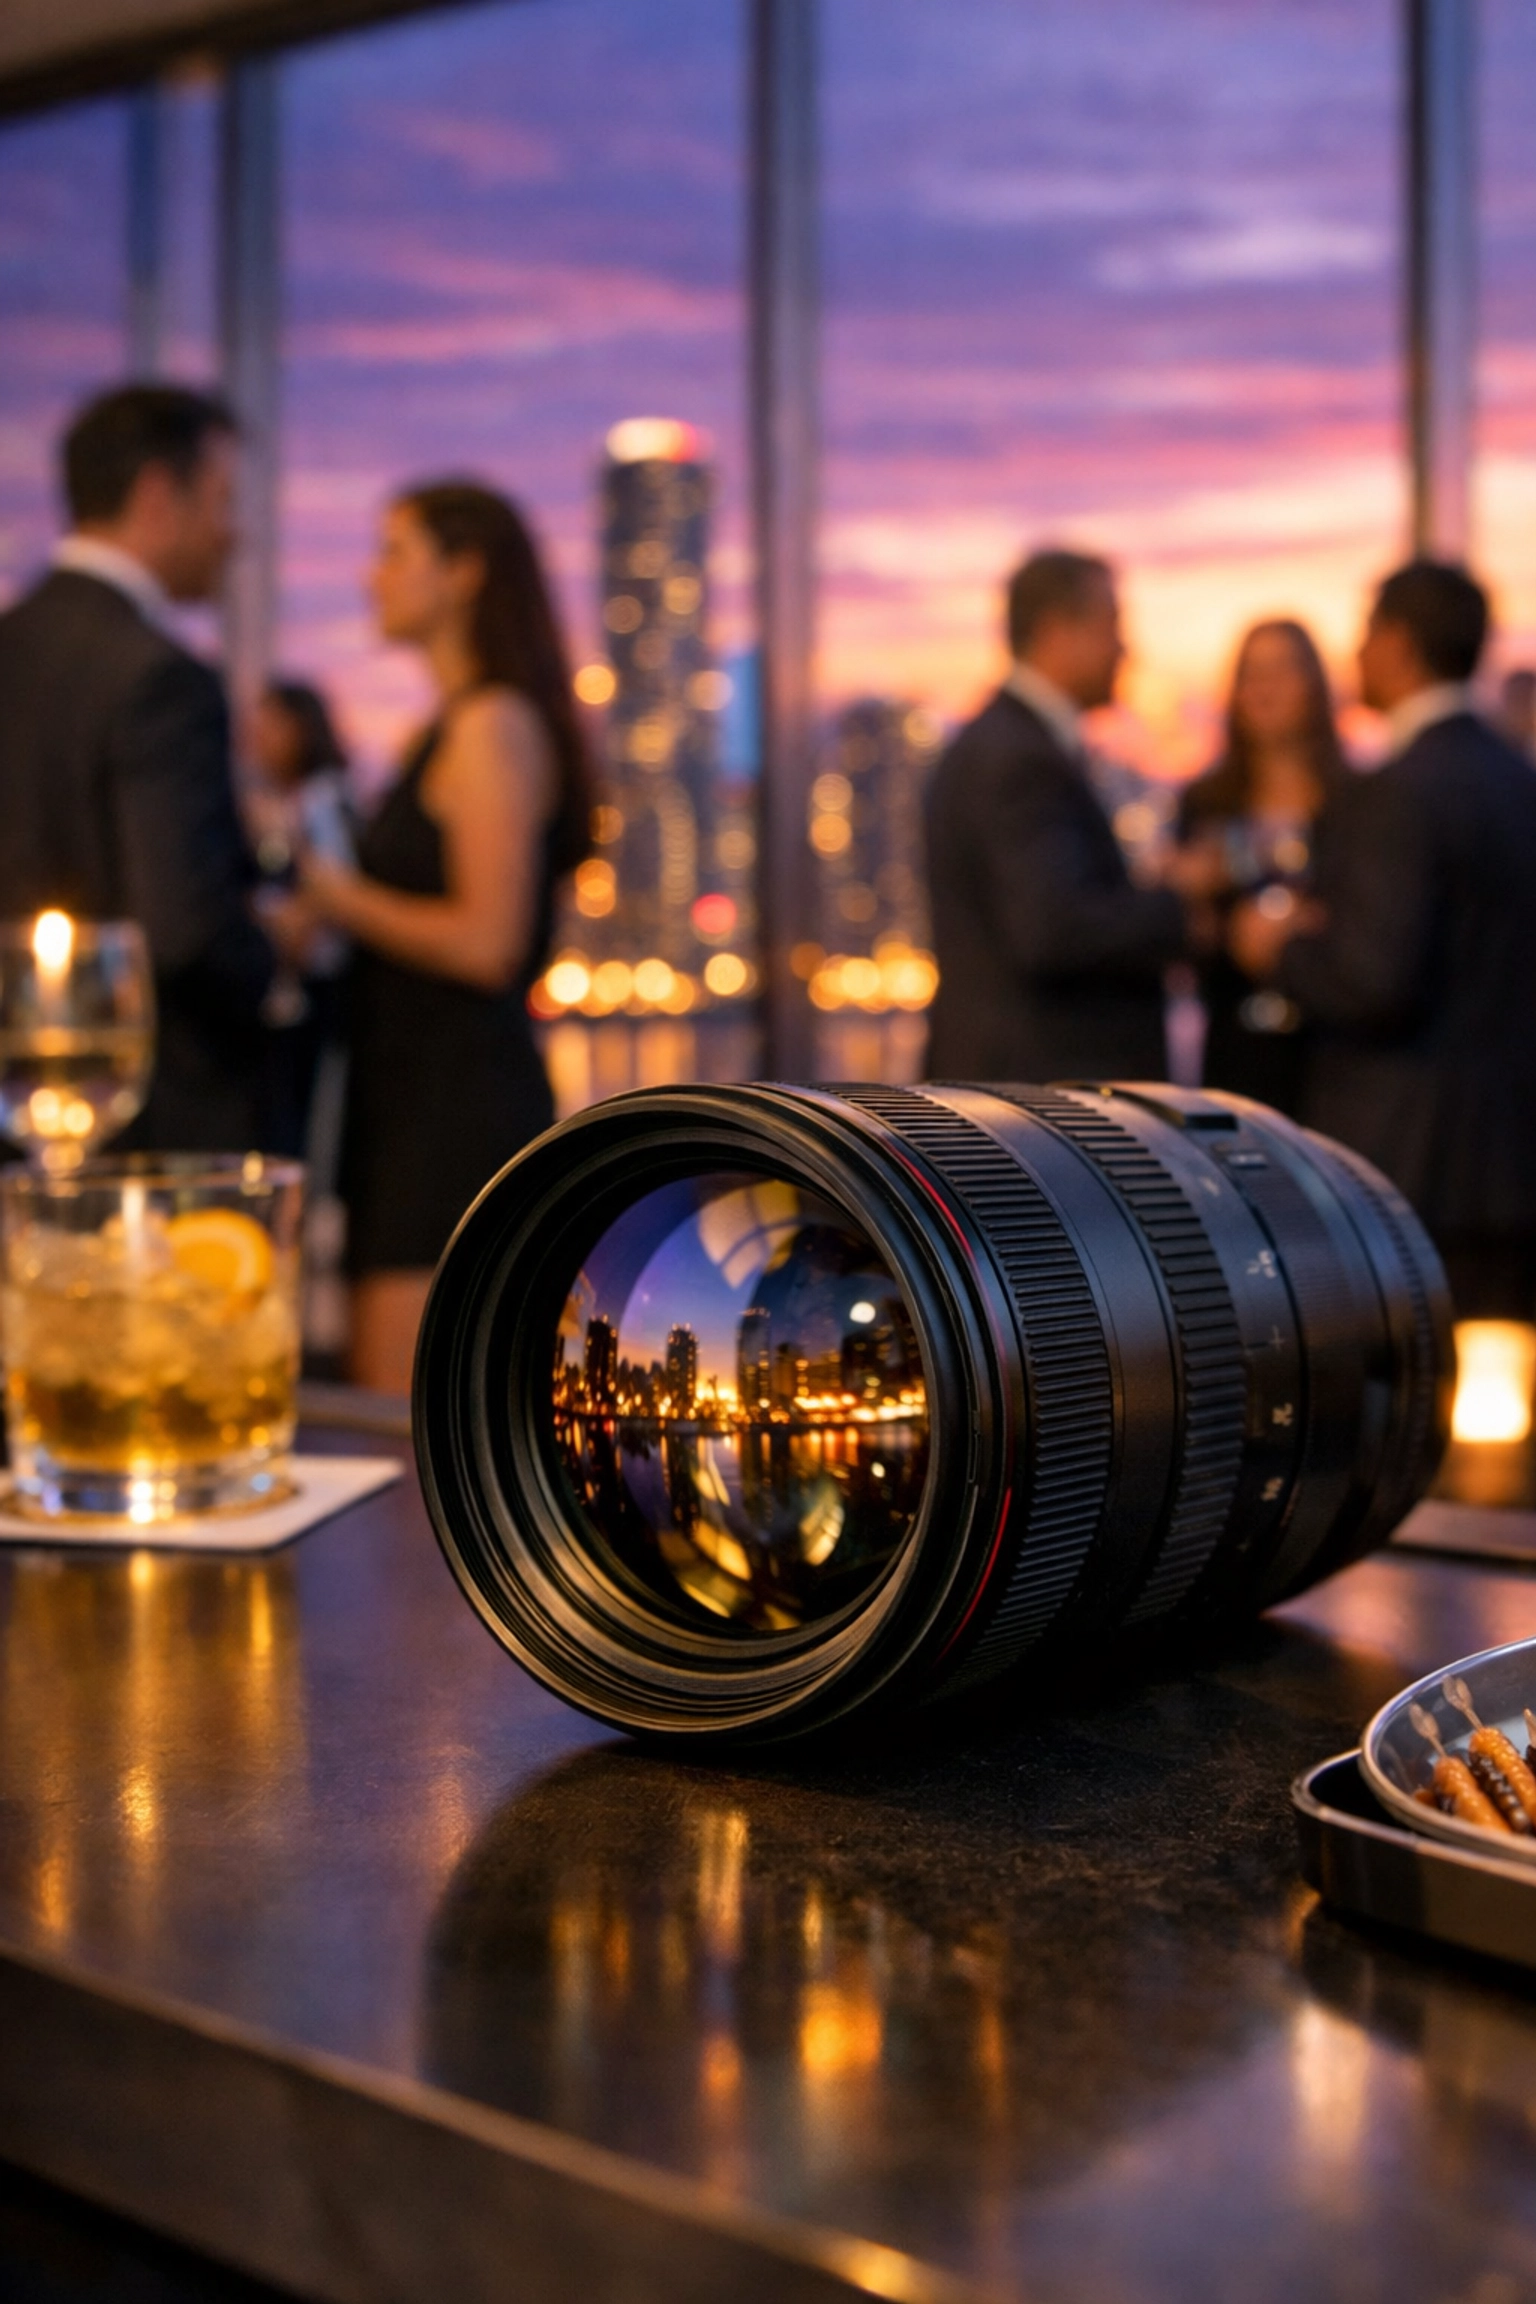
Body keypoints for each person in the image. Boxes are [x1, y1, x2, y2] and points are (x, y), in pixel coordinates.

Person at [300, 480, 591, 1393]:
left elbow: (488, 942)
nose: (372, 576)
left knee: (411, 1418)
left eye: (395, 551)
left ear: (464, 573)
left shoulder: (493, 725)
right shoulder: (448, 728)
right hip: (408, 1106)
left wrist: (335, 896)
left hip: (453, 1116)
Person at [1232, 560, 1536, 1320]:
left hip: (1410, 1161)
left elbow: (1374, 981)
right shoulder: (1517, 780)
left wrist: (1278, 952)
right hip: (1512, 1159)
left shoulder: (1396, 791)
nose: (1358, 654)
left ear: (1398, 643)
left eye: (1367, 634)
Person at [0, 384, 277, 1148]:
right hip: (144, 1125)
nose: (234, 534)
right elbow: (182, 928)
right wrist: (274, 955)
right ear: (159, 496)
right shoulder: (161, 677)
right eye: (222, 500)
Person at [925, 548, 1208, 1081]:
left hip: (1012, 1084)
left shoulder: (1004, 744)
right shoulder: (1020, 757)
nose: (1125, 649)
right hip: (1035, 1094)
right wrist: (1180, 902)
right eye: (1111, 625)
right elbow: (1054, 932)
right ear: (1057, 632)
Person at [1175, 620, 1345, 1116]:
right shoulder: (1207, 801)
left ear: (1315, 683)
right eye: (1251, 674)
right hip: (1234, 1045)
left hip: (1332, 1050)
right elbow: (1185, 935)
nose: (1265, 688)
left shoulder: (1355, 801)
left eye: (1282, 670)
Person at [246, 678, 355, 1160]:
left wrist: (280, 933)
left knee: (305, 1131)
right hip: (312, 987)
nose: (254, 740)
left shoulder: (318, 801)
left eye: (268, 726)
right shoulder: (302, 800)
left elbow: (333, 889)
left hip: (318, 990)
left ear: (300, 729)